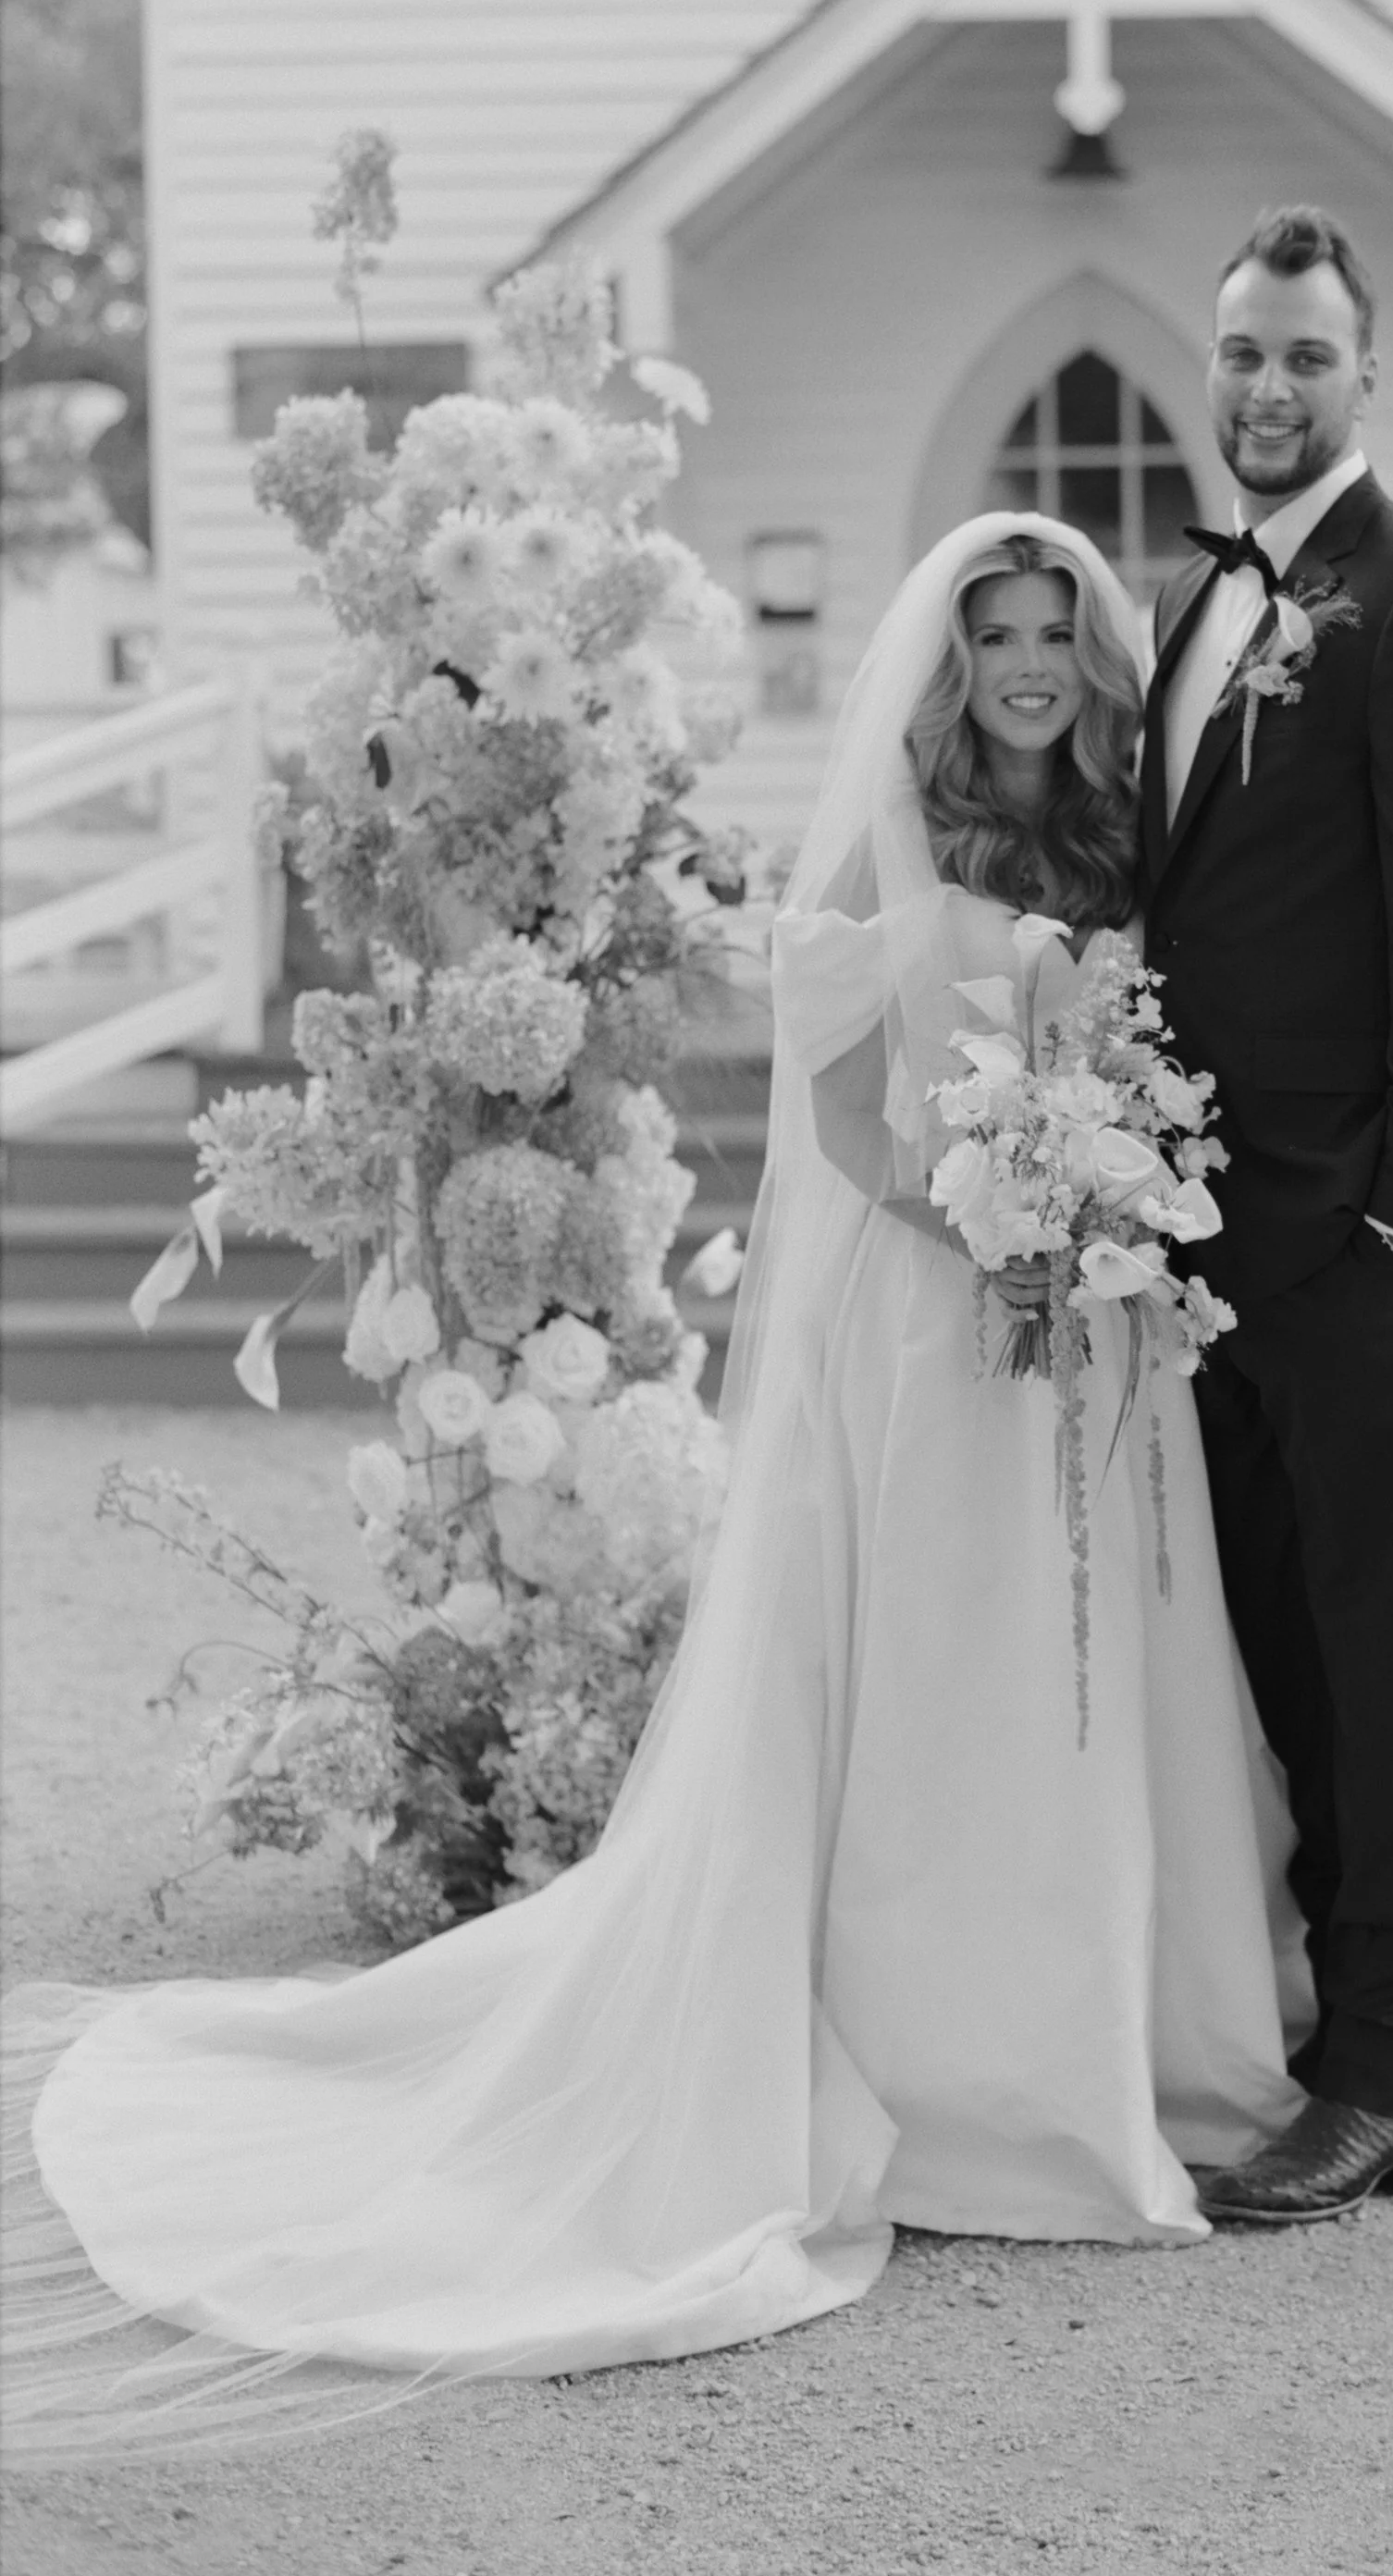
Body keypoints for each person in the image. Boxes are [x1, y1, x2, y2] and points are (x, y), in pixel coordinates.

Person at [1, 515, 1300, 2459]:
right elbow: (844, 1108)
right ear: (952, 665)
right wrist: (993, 1222)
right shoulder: (894, 830)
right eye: (996, 634)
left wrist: (1094, 1207)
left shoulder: (1127, 829)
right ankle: (946, 2073)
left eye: (1054, 631)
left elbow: (1129, 1052)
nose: (1029, 662)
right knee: (933, 1661)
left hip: (1087, 1312)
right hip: (935, 1301)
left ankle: (1099, 2043)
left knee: (1088, 1665)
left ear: (1093, 657)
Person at [1141, 204, 1393, 2224]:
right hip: (1200, 1242)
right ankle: (1314, 2012)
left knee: (1379, 1655)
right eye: (1237, 355)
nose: (1266, 389)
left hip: (1356, 1250)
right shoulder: (1193, 611)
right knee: (1274, 1647)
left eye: (1302, 356)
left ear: (1361, 374)